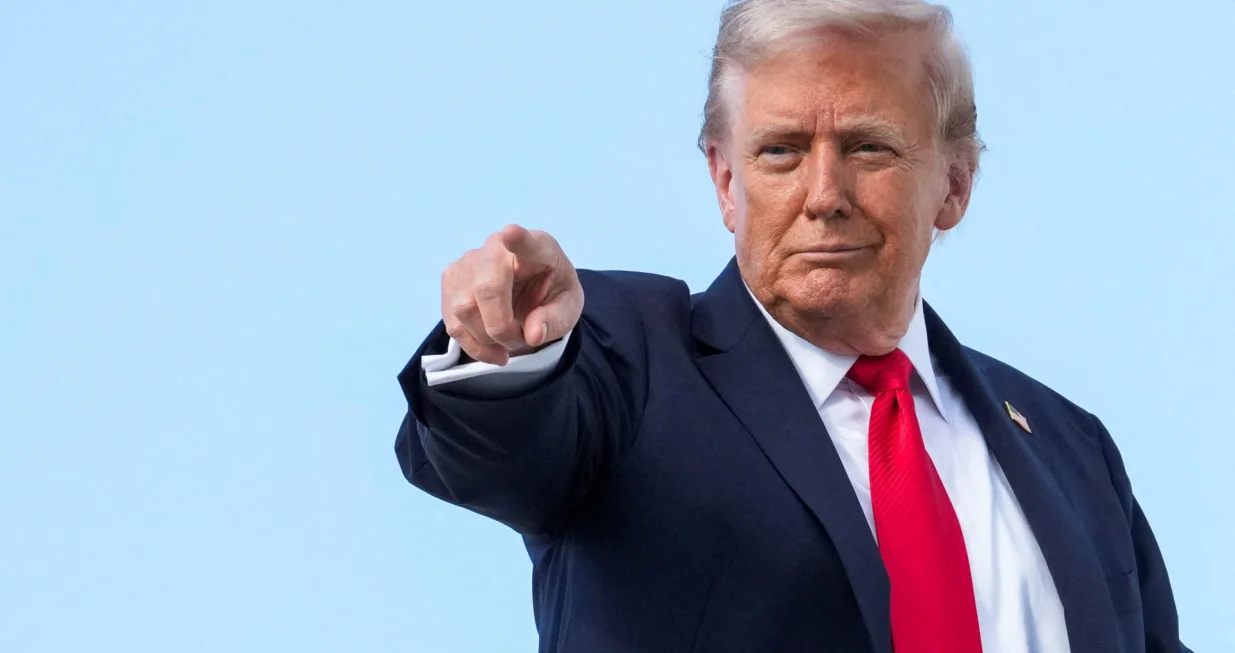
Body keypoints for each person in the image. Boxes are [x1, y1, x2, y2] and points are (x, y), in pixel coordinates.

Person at [395, 1, 1192, 651]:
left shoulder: (1068, 444)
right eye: (779, 151)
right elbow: (501, 449)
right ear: (724, 182)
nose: (823, 194)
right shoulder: (626, 362)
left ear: (955, 183)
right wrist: (504, 353)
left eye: (867, 147)